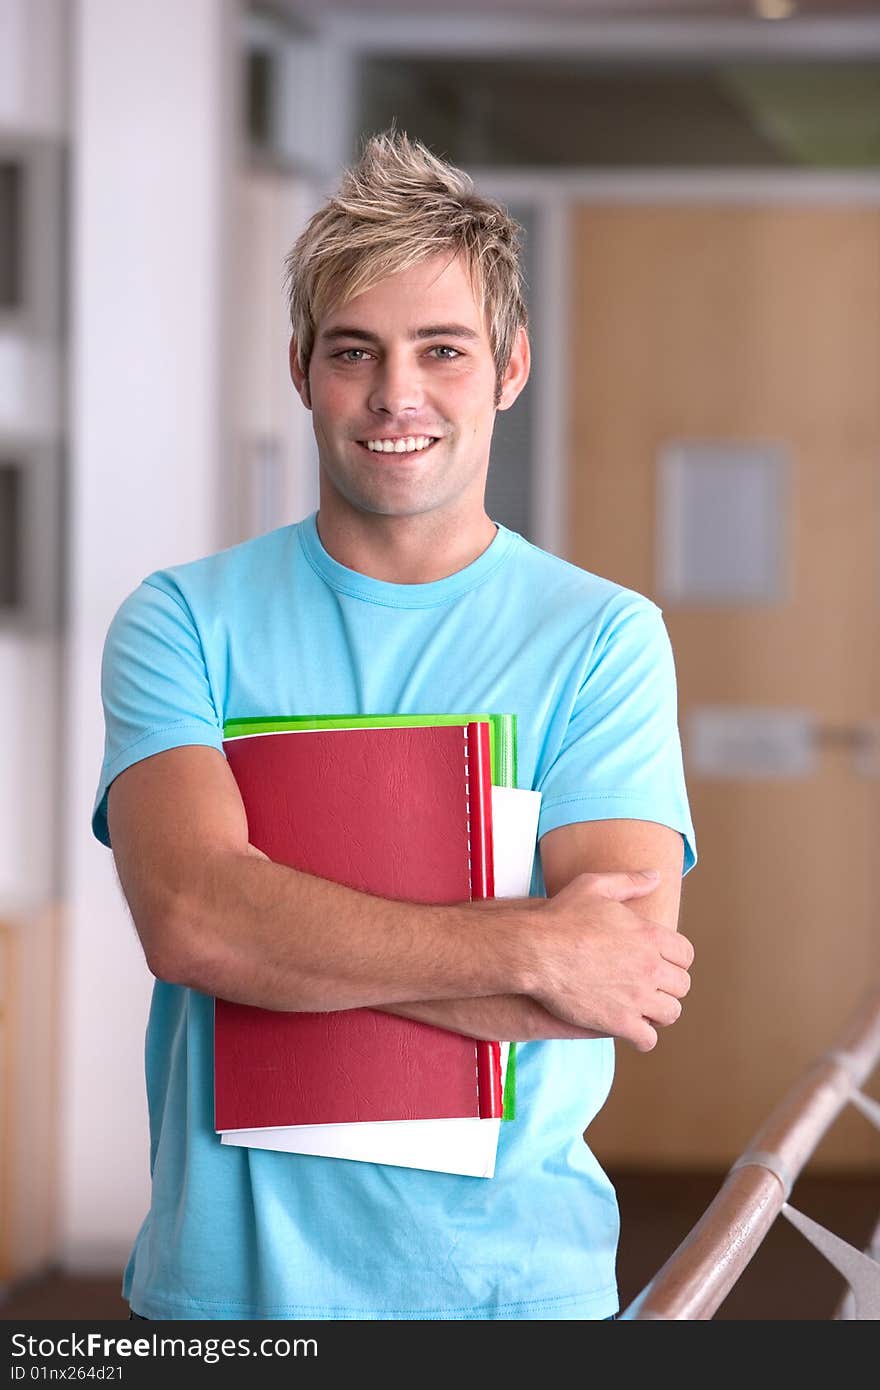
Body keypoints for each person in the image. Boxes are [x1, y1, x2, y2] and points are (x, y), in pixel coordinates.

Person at [93, 129, 696, 1322]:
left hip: (510, 1292)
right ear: (300, 368)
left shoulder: (602, 639)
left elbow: (613, 978)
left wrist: (289, 936)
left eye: (442, 350)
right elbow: (195, 920)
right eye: (354, 352)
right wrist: (528, 942)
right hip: (228, 1297)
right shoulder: (180, 621)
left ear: (510, 368)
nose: (395, 394)